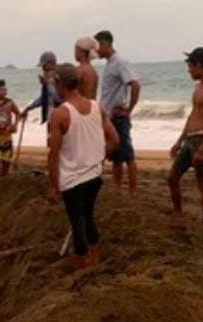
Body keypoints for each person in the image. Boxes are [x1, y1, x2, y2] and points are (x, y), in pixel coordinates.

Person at [48, 64, 119, 270]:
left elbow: (54, 154)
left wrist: (53, 186)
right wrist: (99, 159)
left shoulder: (61, 114)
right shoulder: (97, 107)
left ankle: (80, 264)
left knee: (77, 221)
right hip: (94, 175)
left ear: (60, 84)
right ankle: (94, 258)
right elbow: (114, 139)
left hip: (72, 178)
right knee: (88, 216)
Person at [168, 47, 203, 223]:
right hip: (190, 139)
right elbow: (193, 115)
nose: (189, 70)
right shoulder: (199, 87)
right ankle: (178, 213)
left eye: (190, 66)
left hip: (202, 140)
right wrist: (179, 140)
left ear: (199, 64)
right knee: (172, 178)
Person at [95, 30, 141, 194]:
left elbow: (135, 84)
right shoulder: (109, 64)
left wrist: (129, 109)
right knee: (115, 156)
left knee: (127, 155)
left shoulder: (120, 63)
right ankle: (118, 189)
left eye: (97, 46)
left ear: (105, 44)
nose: (96, 50)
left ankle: (133, 191)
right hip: (108, 116)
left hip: (117, 117)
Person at [21, 51, 63, 146]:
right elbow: (43, 98)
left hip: (58, 115)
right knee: (51, 141)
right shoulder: (47, 77)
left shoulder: (57, 77)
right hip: (51, 115)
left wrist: (46, 84)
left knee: (55, 143)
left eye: (45, 65)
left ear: (51, 63)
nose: (43, 68)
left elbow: (57, 98)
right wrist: (29, 107)